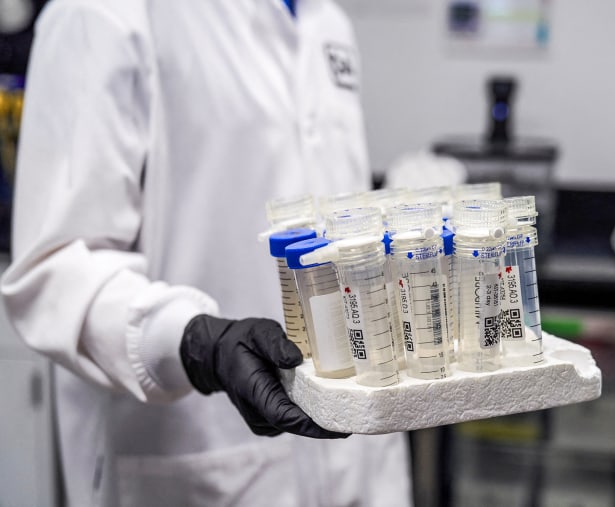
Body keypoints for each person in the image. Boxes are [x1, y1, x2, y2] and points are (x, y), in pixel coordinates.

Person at [0, 0, 412, 505]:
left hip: (360, 465)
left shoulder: (327, 21)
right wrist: (196, 342)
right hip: (201, 457)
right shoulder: (103, 13)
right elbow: (55, 271)